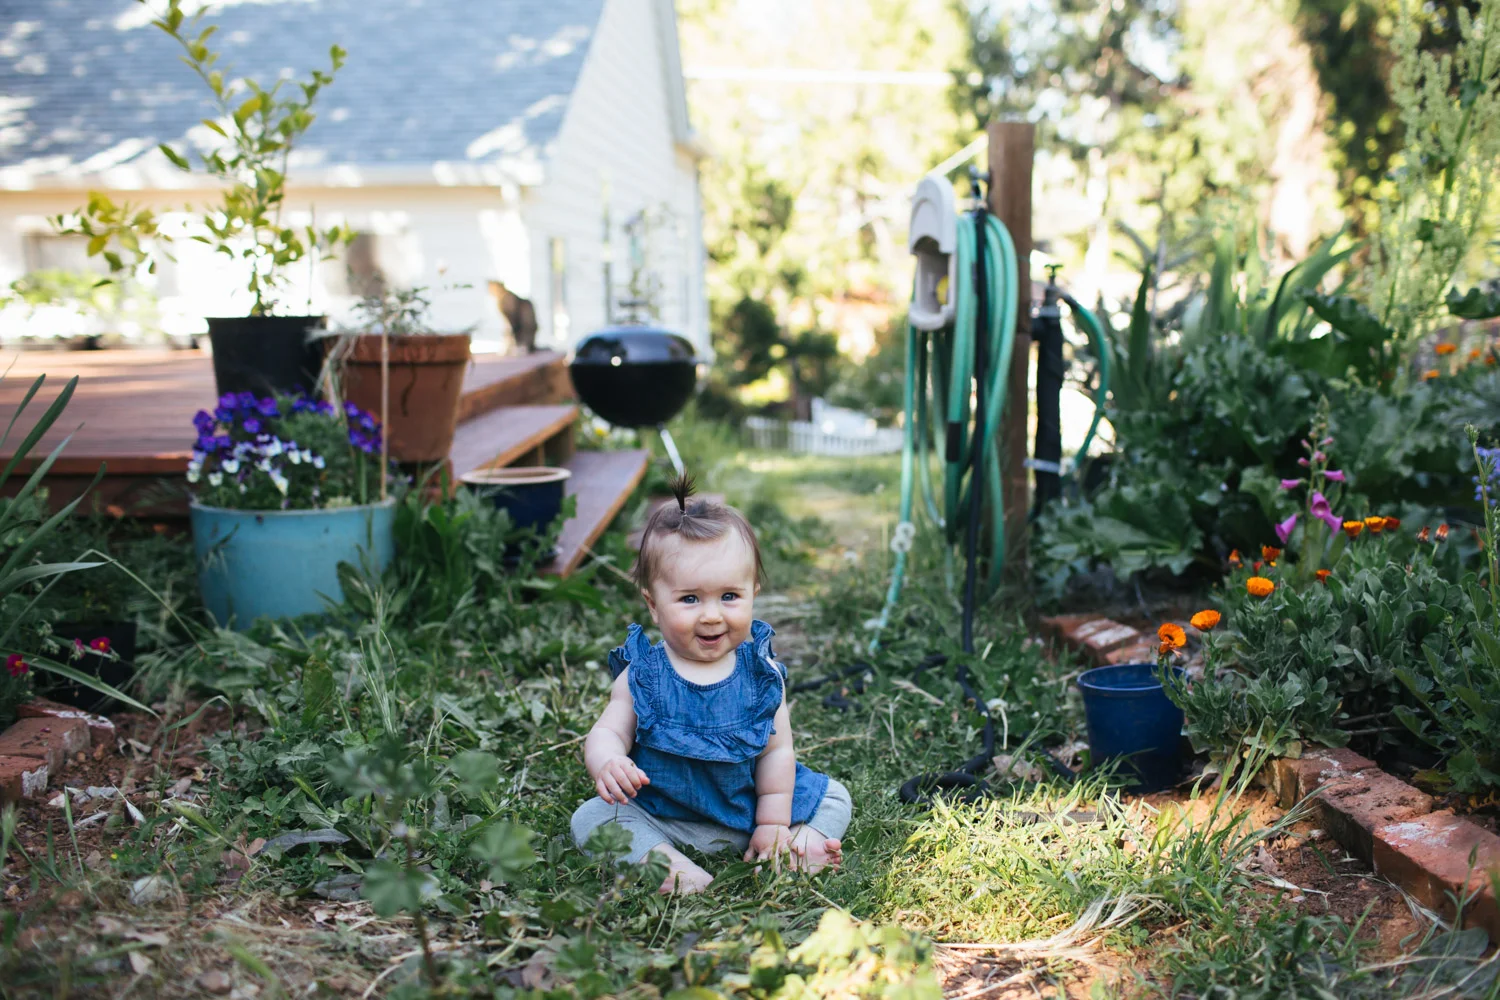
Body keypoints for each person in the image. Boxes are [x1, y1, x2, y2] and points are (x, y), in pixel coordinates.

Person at [571, 476, 851, 894]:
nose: (711, 616)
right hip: (662, 814)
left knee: (833, 797)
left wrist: (772, 823)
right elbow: (609, 730)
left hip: (748, 813)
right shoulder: (644, 675)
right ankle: (667, 865)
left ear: (753, 593)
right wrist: (608, 761)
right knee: (592, 818)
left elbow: (778, 752)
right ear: (653, 604)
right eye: (689, 599)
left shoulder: (761, 676)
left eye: (729, 597)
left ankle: (791, 845)